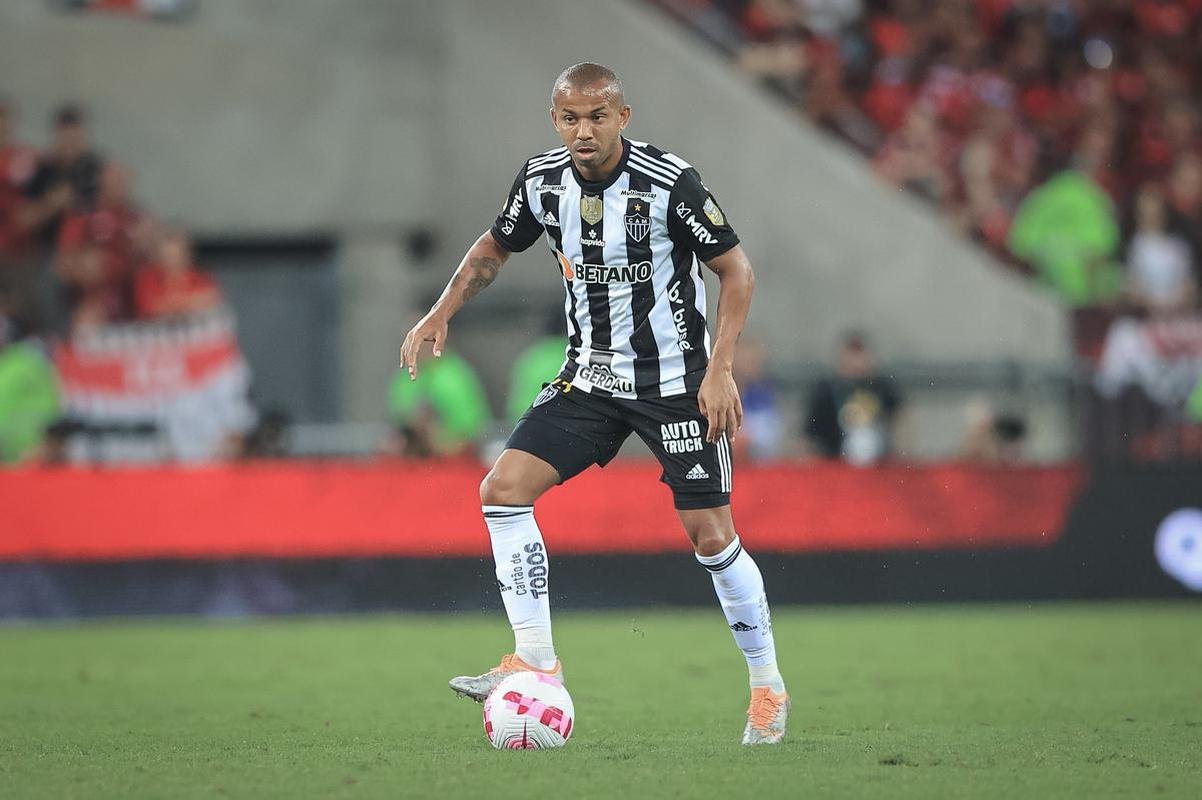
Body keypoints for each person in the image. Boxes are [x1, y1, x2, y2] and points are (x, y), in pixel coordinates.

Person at [399, 63, 787, 745]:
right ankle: (536, 659)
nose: (584, 130)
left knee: (713, 538)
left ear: (623, 117)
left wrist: (721, 369)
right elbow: (495, 247)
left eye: (597, 116)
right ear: (556, 120)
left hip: (677, 386)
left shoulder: (669, 183)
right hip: (591, 381)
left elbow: (736, 269)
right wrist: (441, 312)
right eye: (570, 118)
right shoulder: (541, 180)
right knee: (502, 489)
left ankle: (766, 687)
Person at [804, 330, 903, 465]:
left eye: (860, 356)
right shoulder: (826, 392)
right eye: (852, 356)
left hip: (878, 464)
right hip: (837, 463)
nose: (857, 363)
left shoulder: (882, 388)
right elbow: (810, 436)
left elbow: (901, 419)